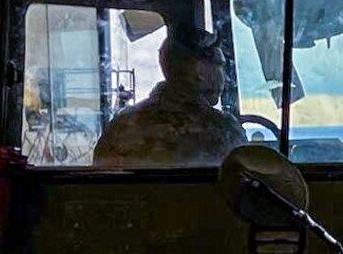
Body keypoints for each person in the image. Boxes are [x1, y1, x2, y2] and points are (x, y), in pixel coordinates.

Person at [92, 31, 246, 168]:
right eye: (220, 66)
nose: (225, 78)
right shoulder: (221, 129)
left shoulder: (120, 126)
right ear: (200, 70)